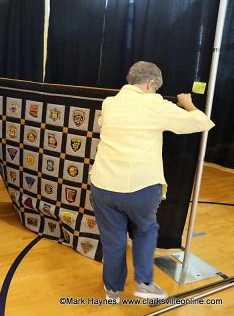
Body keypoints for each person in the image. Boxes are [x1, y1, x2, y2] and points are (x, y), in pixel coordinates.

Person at [89, 61, 215, 303]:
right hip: (140, 187)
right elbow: (201, 123)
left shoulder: (110, 102)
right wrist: (187, 104)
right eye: (156, 88)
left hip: (103, 185)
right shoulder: (156, 104)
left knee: (113, 239)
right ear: (150, 84)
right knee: (146, 230)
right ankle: (145, 284)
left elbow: (103, 124)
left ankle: (112, 291)